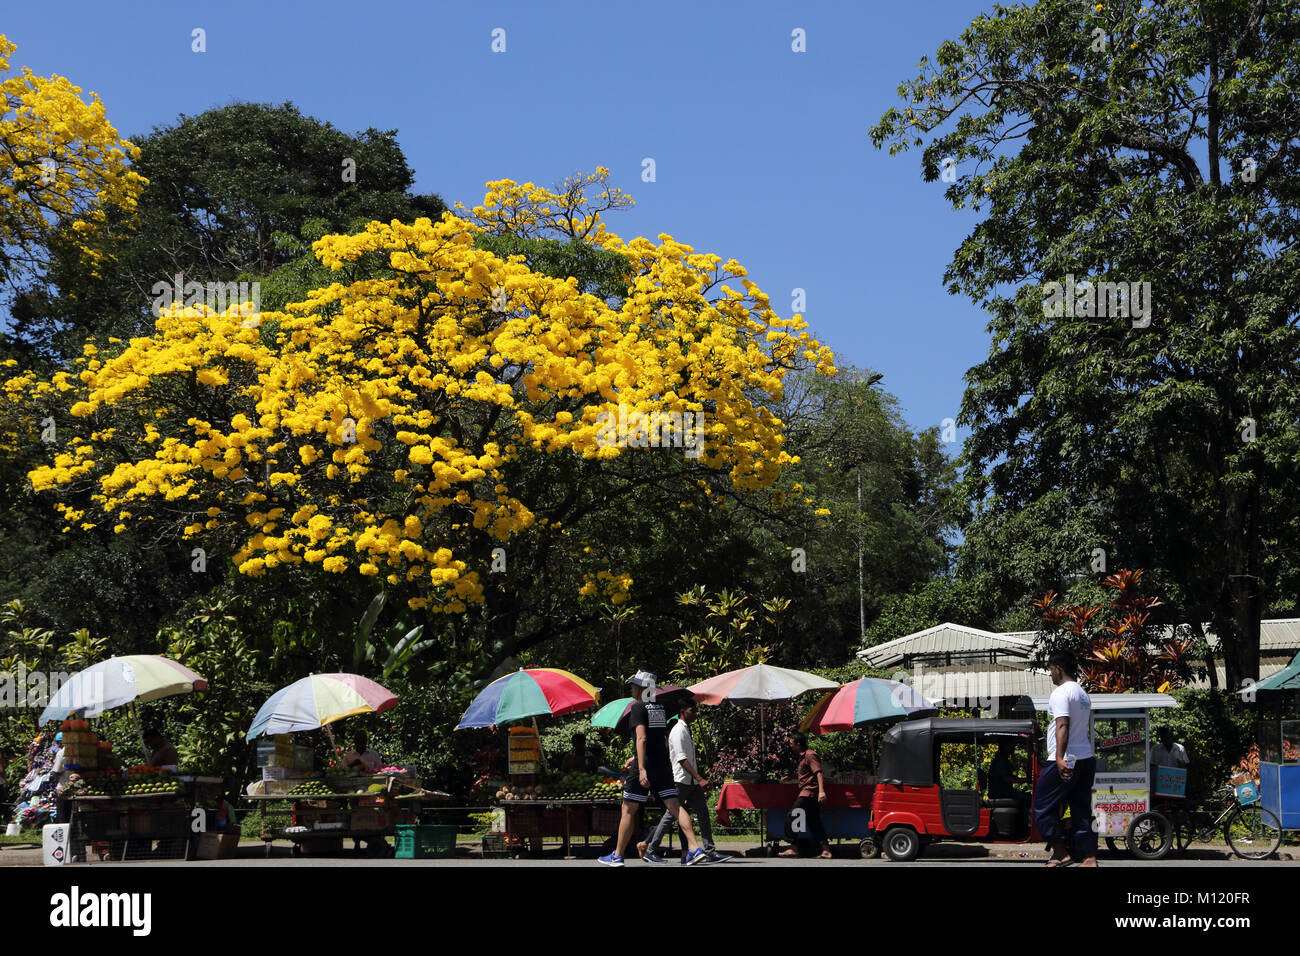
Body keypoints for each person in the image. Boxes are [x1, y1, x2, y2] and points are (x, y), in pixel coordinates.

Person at [599, 671, 708, 866]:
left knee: (628, 808)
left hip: (647, 765)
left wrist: (640, 767)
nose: (632, 688)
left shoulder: (638, 707)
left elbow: (642, 738)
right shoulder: (661, 707)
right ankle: (694, 848)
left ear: (643, 688)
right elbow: (661, 737)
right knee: (675, 806)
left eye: (635, 685)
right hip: (662, 763)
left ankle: (617, 855)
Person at [641, 698, 728, 864]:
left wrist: (697, 779)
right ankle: (650, 848)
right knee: (670, 816)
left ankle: (710, 851)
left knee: (703, 813)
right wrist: (700, 778)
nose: (695, 714)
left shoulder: (687, 730)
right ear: (683, 711)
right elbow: (681, 759)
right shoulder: (678, 731)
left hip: (691, 782)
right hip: (680, 780)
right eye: (692, 711)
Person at [1032, 650, 1097, 867]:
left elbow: (1062, 725)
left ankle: (1060, 852)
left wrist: (1059, 758)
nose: (1050, 674)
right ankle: (1089, 858)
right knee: (1081, 808)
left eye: (1051, 669)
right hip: (1086, 758)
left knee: (1041, 806)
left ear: (1058, 669)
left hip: (1065, 758)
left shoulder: (1060, 693)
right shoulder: (1083, 694)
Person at [781, 732, 832, 859]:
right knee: (814, 822)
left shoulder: (810, 755)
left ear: (798, 744)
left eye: (792, 743)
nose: (790, 746)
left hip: (809, 792)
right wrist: (791, 776)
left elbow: (818, 773)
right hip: (808, 792)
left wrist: (821, 791)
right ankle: (826, 850)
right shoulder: (802, 757)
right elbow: (806, 773)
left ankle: (793, 848)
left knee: (793, 814)